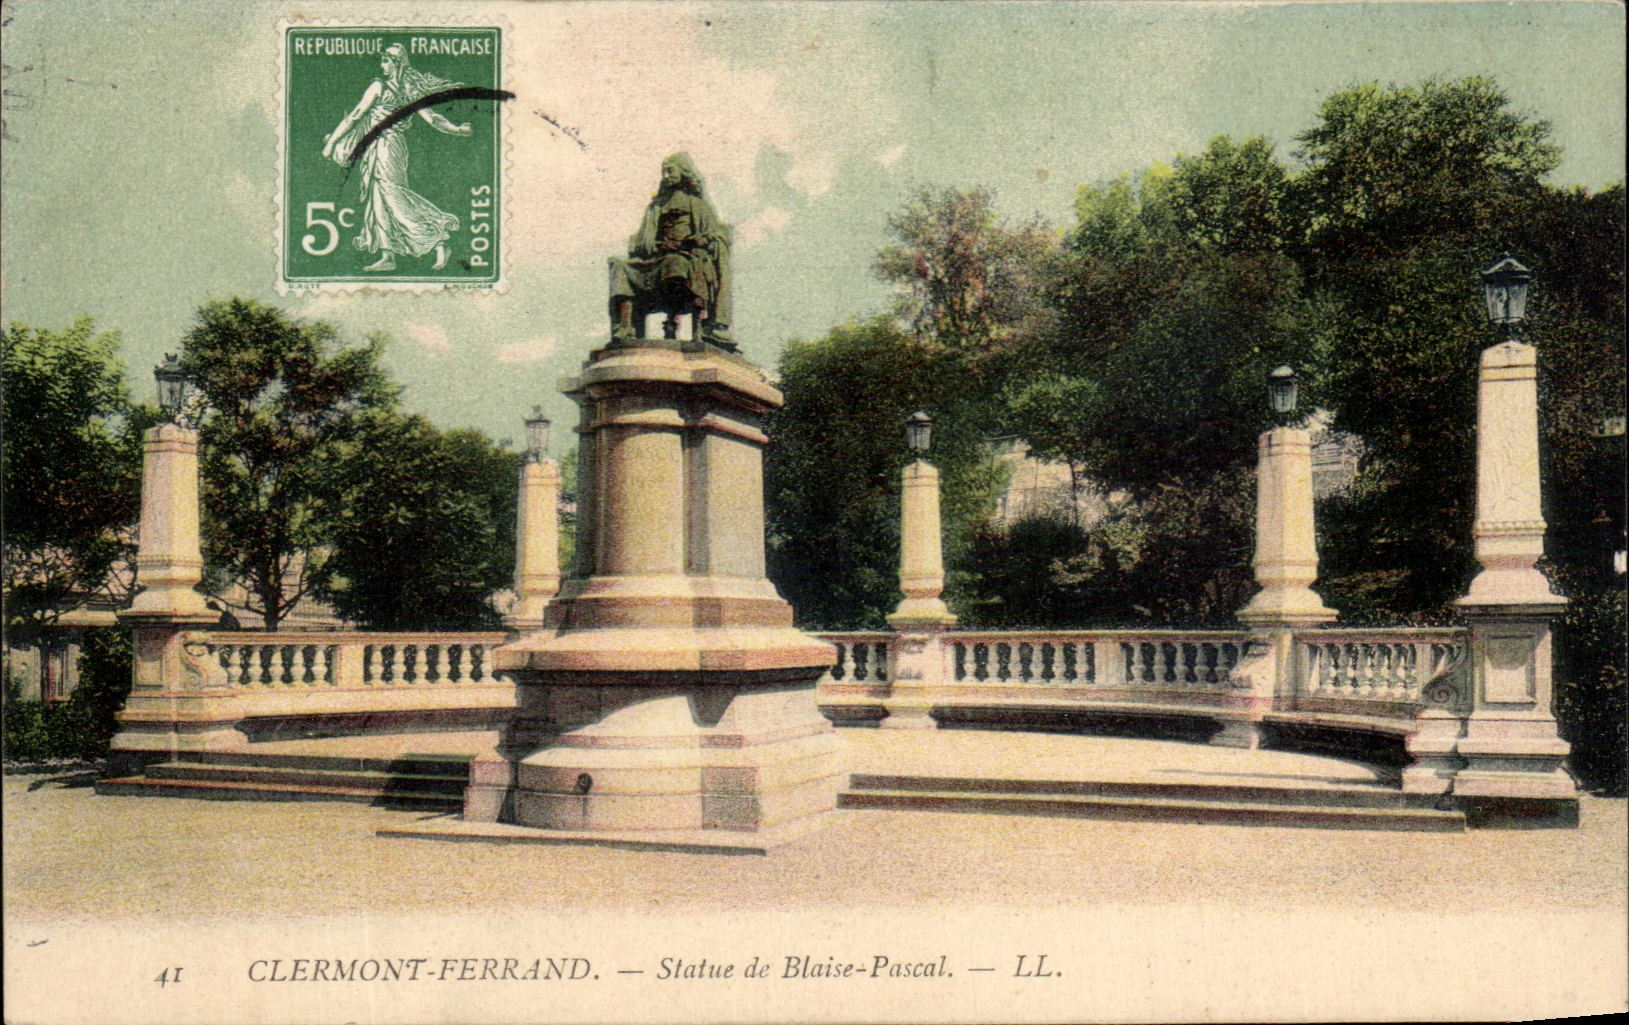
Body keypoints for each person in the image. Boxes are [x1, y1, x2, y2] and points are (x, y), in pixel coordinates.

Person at [322, 44, 471, 272]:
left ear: (396, 63)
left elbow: (355, 116)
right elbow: (433, 119)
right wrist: (457, 130)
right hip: (380, 146)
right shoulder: (408, 90)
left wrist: (332, 142)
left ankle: (438, 240)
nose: (382, 65)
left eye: (386, 61)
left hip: (387, 147)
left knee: (392, 196)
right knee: (378, 199)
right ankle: (388, 255)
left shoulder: (382, 87)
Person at [608, 153, 733, 349]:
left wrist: (697, 241)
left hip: (687, 256)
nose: (666, 176)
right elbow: (642, 238)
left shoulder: (697, 203)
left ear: (683, 172)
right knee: (621, 267)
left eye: (670, 171)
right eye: (664, 172)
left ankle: (675, 321)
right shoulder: (657, 205)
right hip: (656, 256)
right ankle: (625, 328)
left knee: (675, 264)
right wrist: (654, 244)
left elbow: (714, 234)